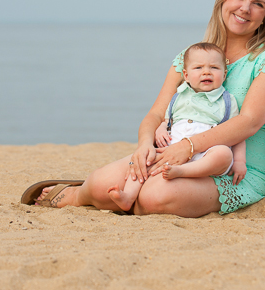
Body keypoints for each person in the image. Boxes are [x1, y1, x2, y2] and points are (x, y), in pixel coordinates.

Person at [21, 0, 265, 217]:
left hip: (235, 169)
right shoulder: (193, 57)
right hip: (173, 153)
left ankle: (123, 199)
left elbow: (248, 121)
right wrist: (144, 145)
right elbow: (156, 113)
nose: (245, 8)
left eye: (258, 4)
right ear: (223, 0)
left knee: (153, 197)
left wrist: (187, 147)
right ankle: (78, 194)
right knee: (99, 184)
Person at [106, 42, 247, 211]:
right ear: (186, 75)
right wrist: (159, 131)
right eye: (199, 68)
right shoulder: (179, 96)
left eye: (214, 68)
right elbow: (166, 121)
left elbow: (237, 134)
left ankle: (183, 172)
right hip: (173, 149)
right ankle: (128, 195)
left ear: (224, 75)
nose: (206, 72)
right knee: (146, 159)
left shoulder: (227, 101)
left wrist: (239, 161)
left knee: (223, 154)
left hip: (205, 152)